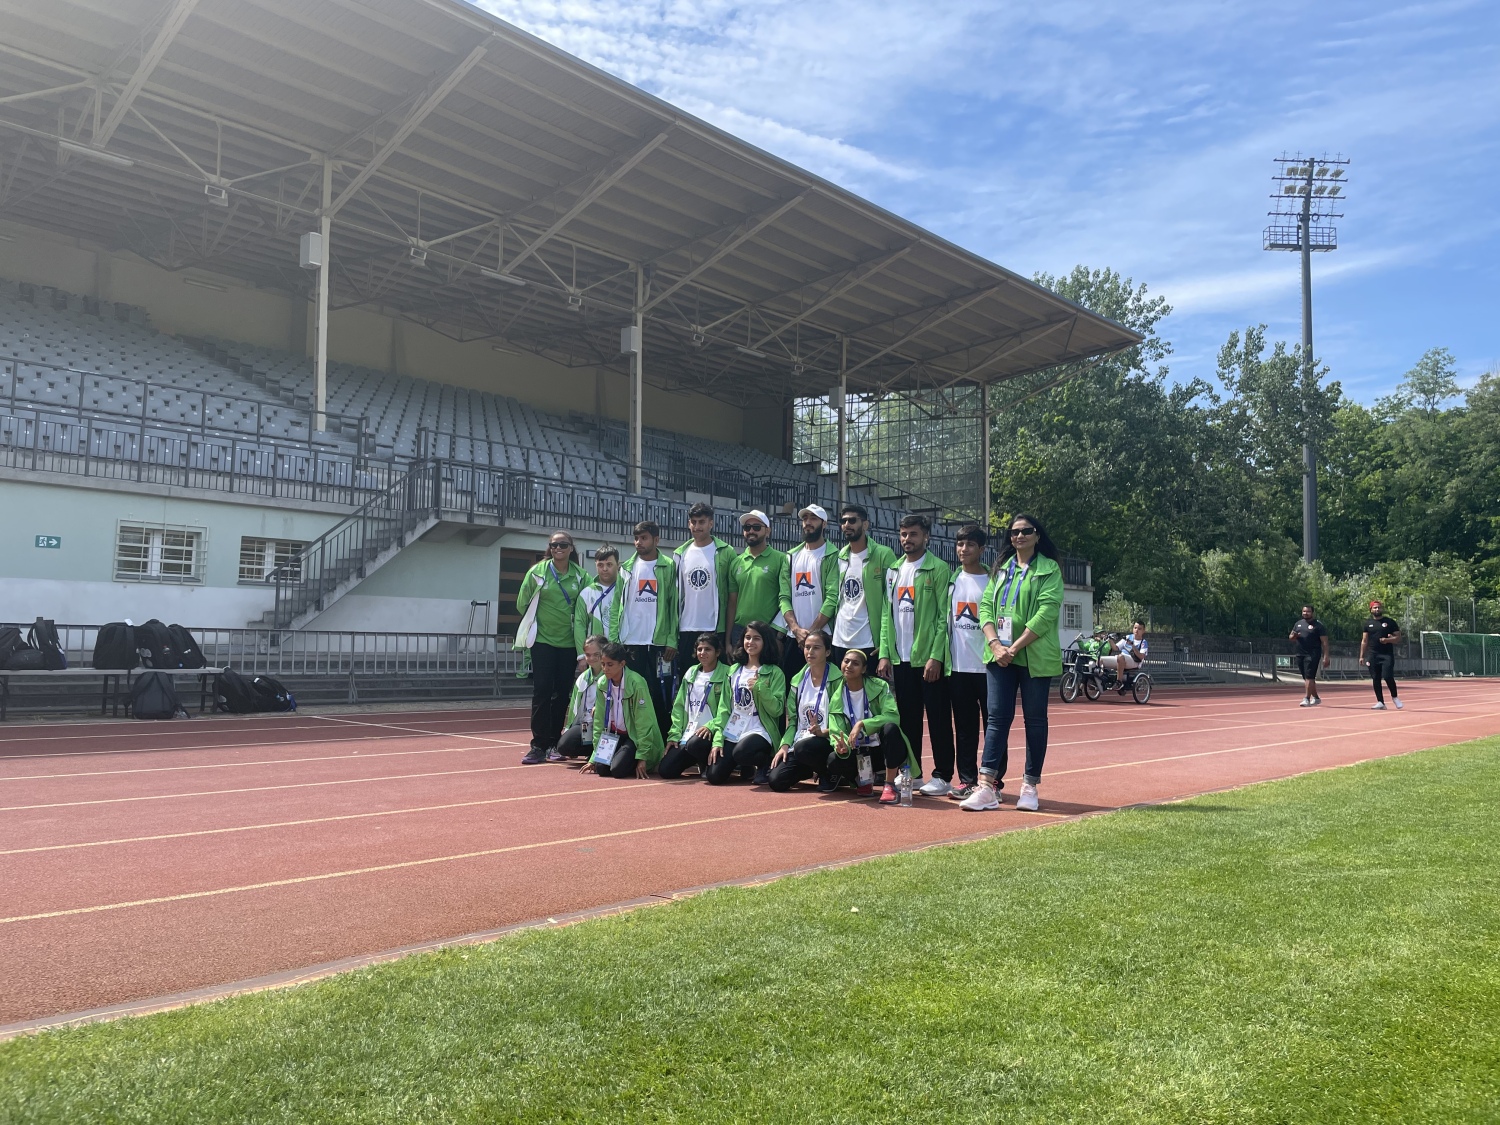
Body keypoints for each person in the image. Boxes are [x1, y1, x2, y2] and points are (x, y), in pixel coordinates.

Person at [961, 513, 1064, 813]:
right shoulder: (1001, 570)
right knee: (996, 719)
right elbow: (986, 609)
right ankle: (986, 787)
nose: (1019, 536)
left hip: (1033, 657)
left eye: (1026, 531)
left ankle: (1029, 786)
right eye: (1014, 532)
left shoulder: (1049, 570)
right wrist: (995, 644)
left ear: (1037, 535)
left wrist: (1014, 647)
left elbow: (1046, 613)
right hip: (999, 657)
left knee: (1034, 720)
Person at [877, 513, 952, 789]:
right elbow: (887, 614)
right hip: (901, 658)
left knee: (938, 719)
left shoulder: (939, 569)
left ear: (926, 536)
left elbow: (944, 618)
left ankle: (943, 775)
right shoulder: (893, 570)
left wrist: (936, 656)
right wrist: (885, 653)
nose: (907, 539)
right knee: (908, 721)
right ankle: (912, 772)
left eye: (913, 534)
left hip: (928, 660)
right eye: (904, 534)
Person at [517, 532, 587, 765]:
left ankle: (554, 743)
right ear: (549, 548)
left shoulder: (581, 575)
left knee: (561, 695)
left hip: (568, 645)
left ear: (571, 548)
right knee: (542, 692)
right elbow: (521, 604)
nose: (558, 548)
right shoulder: (537, 572)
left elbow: (586, 608)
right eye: (554, 545)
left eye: (563, 544)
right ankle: (538, 745)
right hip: (543, 642)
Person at [930, 522, 988, 801]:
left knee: (993, 727)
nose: (963, 550)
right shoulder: (951, 581)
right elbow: (943, 622)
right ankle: (967, 780)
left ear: (981, 549)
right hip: (959, 668)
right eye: (960, 544)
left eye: (970, 545)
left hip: (989, 668)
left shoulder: (993, 581)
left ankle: (994, 782)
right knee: (964, 729)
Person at [827, 648, 913, 801]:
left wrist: (862, 724)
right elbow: (835, 731)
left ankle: (889, 783)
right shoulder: (836, 697)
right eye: (846, 661)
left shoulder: (879, 686)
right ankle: (862, 779)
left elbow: (892, 716)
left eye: (855, 663)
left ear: (864, 669)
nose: (849, 666)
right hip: (859, 752)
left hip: (881, 750)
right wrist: (841, 747)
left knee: (890, 729)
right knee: (833, 759)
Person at [614, 521, 676, 734]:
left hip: (658, 642)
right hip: (631, 642)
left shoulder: (668, 566)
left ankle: (662, 741)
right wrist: (616, 640)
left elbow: (673, 605)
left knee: (659, 694)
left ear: (656, 540)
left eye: (644, 538)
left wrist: (671, 639)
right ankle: (634, 739)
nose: (638, 542)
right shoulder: (626, 568)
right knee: (633, 693)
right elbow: (617, 607)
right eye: (636, 538)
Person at [706, 621, 786, 785]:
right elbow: (724, 709)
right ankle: (745, 765)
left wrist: (760, 689)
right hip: (735, 728)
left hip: (759, 729)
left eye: (757, 638)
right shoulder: (734, 670)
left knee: (741, 752)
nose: (751, 642)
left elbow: (777, 710)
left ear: (765, 642)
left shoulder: (775, 672)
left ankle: (764, 763)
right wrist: (717, 741)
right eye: (747, 638)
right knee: (714, 776)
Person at [768, 631, 844, 792]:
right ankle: (808, 768)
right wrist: (785, 745)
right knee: (776, 780)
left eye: (816, 648)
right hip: (801, 740)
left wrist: (823, 732)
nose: (810, 652)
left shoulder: (838, 680)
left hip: (829, 739)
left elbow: (843, 721)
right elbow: (793, 720)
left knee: (804, 748)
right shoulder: (797, 680)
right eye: (807, 647)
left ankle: (829, 772)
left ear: (828, 652)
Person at [579, 641, 664, 778]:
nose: (605, 668)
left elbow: (644, 723)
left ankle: (644, 761)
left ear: (622, 664)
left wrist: (642, 757)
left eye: (610, 664)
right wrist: (594, 756)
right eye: (603, 664)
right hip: (614, 735)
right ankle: (623, 758)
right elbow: (599, 721)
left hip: (633, 736)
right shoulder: (602, 683)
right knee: (601, 768)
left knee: (618, 770)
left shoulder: (637, 683)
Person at [671, 503, 736, 681]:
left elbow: (732, 598)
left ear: (711, 523)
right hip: (686, 629)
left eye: (702, 522)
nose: (697, 527)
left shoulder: (726, 552)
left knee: (716, 682)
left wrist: (728, 639)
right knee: (688, 681)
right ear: (688, 524)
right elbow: (674, 597)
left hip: (715, 628)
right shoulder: (680, 554)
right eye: (693, 522)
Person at [831, 503, 897, 667]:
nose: (847, 525)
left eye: (852, 520)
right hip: (840, 639)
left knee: (872, 691)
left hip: (869, 642)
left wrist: (885, 645)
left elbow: (891, 602)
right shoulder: (840, 556)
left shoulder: (884, 554)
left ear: (865, 524)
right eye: (843, 521)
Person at [657, 633, 731, 779]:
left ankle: (710, 763)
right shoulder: (691, 673)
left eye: (707, 649)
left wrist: (711, 726)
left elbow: (727, 709)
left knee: (714, 777)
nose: (702, 653)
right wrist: (674, 735)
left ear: (717, 652)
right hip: (690, 734)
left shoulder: (727, 673)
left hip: (715, 732)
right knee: (666, 770)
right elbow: (679, 707)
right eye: (700, 649)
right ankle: (698, 759)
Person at [779, 504, 838, 683]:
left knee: (824, 691)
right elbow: (784, 597)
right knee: (792, 692)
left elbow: (832, 597)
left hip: (823, 636)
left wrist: (811, 633)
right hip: (794, 637)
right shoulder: (790, 556)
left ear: (824, 523)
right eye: (805, 519)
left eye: (813, 519)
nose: (807, 523)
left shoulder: (833, 555)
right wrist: (796, 629)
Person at [726, 510, 790, 651]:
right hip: (740, 631)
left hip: (768, 632)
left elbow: (786, 599)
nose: (751, 531)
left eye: (756, 527)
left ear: (767, 531)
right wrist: (728, 641)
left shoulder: (781, 559)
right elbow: (732, 603)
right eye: (747, 528)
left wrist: (780, 635)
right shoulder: (736, 562)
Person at [556, 634, 606, 761]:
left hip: (606, 727)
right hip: (586, 725)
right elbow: (574, 707)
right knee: (564, 746)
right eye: (588, 655)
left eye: (596, 654)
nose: (592, 658)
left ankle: (602, 750)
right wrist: (568, 728)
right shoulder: (583, 678)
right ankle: (592, 750)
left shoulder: (611, 676)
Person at [1359, 599, 1404, 710]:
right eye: (1375, 607)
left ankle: (1395, 697)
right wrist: (1361, 656)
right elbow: (1364, 641)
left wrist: (1387, 640)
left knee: (1388, 676)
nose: (1377, 609)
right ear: (1371, 610)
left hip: (1386, 655)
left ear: (1382, 609)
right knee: (1376, 678)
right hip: (1373, 655)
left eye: (1379, 607)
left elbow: (1398, 638)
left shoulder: (1390, 622)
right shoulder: (1367, 624)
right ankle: (1380, 702)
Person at [574, 545, 621, 649]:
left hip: (621, 651)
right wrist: (582, 656)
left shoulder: (626, 590)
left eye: (609, 564)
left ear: (618, 565)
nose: (604, 569)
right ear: (596, 565)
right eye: (600, 565)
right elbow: (579, 626)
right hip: (595, 654)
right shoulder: (586, 593)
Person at [1289, 604, 1330, 706]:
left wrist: (1326, 656)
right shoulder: (1298, 624)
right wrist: (1294, 636)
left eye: (1308, 611)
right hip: (1300, 653)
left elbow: (1324, 642)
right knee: (1306, 678)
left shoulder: (1318, 625)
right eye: (1304, 611)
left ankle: (1306, 698)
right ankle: (1316, 698)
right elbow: (1291, 637)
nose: (1305, 613)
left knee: (1309, 677)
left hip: (1312, 654)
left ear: (1312, 613)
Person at [1100, 621, 1149, 692]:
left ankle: (1119, 682)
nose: (1136, 630)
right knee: (1100, 659)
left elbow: (1141, 657)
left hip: (1134, 661)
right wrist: (1110, 640)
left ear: (1143, 631)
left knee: (1120, 657)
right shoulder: (1128, 637)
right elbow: (1116, 648)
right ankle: (1100, 682)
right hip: (1121, 659)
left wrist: (1133, 646)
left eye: (1139, 629)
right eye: (1135, 628)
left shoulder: (1143, 642)